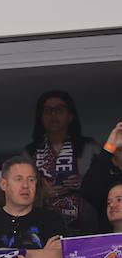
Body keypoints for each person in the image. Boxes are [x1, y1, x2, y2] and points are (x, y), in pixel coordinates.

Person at [26, 90, 102, 229]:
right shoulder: (28, 153)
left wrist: (85, 184)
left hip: (86, 225)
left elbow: (108, 185)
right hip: (41, 227)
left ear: (70, 116)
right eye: (48, 110)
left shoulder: (90, 148)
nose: (53, 114)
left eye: (59, 109)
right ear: (41, 117)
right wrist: (38, 193)